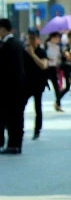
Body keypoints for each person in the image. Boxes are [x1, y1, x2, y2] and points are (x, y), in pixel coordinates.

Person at [0, 19, 27, 155]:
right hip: (18, 89)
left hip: (10, 89)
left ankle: (13, 145)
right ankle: (15, 144)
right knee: (16, 117)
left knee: (12, 118)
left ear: (4, 29)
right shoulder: (17, 44)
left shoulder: (8, 45)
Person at [24, 29, 48, 141]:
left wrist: (33, 55)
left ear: (37, 39)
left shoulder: (41, 51)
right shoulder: (24, 51)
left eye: (33, 38)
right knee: (20, 106)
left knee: (38, 107)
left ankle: (37, 130)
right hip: (26, 84)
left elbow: (44, 65)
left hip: (38, 83)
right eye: (29, 38)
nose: (31, 41)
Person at [45, 32, 67, 112]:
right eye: (57, 38)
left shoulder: (58, 47)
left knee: (56, 87)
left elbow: (59, 58)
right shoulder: (46, 45)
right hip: (46, 68)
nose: (58, 40)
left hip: (54, 68)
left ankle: (58, 103)